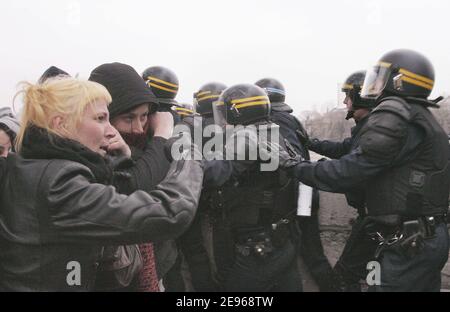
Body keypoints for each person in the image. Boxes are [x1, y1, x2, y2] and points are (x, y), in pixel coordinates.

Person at [0, 77, 203, 291]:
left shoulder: (32, 168)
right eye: (100, 118)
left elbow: (113, 191)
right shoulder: (57, 186)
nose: (110, 130)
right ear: (60, 124)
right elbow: (170, 212)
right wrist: (188, 155)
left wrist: (122, 159)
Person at [282, 49, 450, 292]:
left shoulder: (395, 114)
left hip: (411, 241)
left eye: (380, 77)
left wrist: (298, 168)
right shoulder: (420, 117)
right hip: (425, 237)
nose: (374, 85)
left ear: (397, 81)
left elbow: (352, 171)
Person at [204, 83, 303, 291]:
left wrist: (186, 158)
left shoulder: (246, 137)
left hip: (260, 246)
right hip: (282, 238)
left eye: (224, 113)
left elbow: (214, 174)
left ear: (237, 113)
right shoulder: (273, 132)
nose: (221, 120)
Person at [256, 77, 337, 291]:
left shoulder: (272, 121)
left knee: (297, 248)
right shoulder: (289, 119)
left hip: (297, 194)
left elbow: (281, 162)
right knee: (309, 250)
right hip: (306, 190)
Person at [301, 71, 379, 291]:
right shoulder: (370, 127)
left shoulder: (376, 129)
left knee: (347, 278)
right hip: (372, 218)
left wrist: (299, 168)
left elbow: (348, 171)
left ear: (363, 97)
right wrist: (310, 142)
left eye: (348, 96)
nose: (345, 102)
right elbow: (344, 148)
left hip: (377, 222)